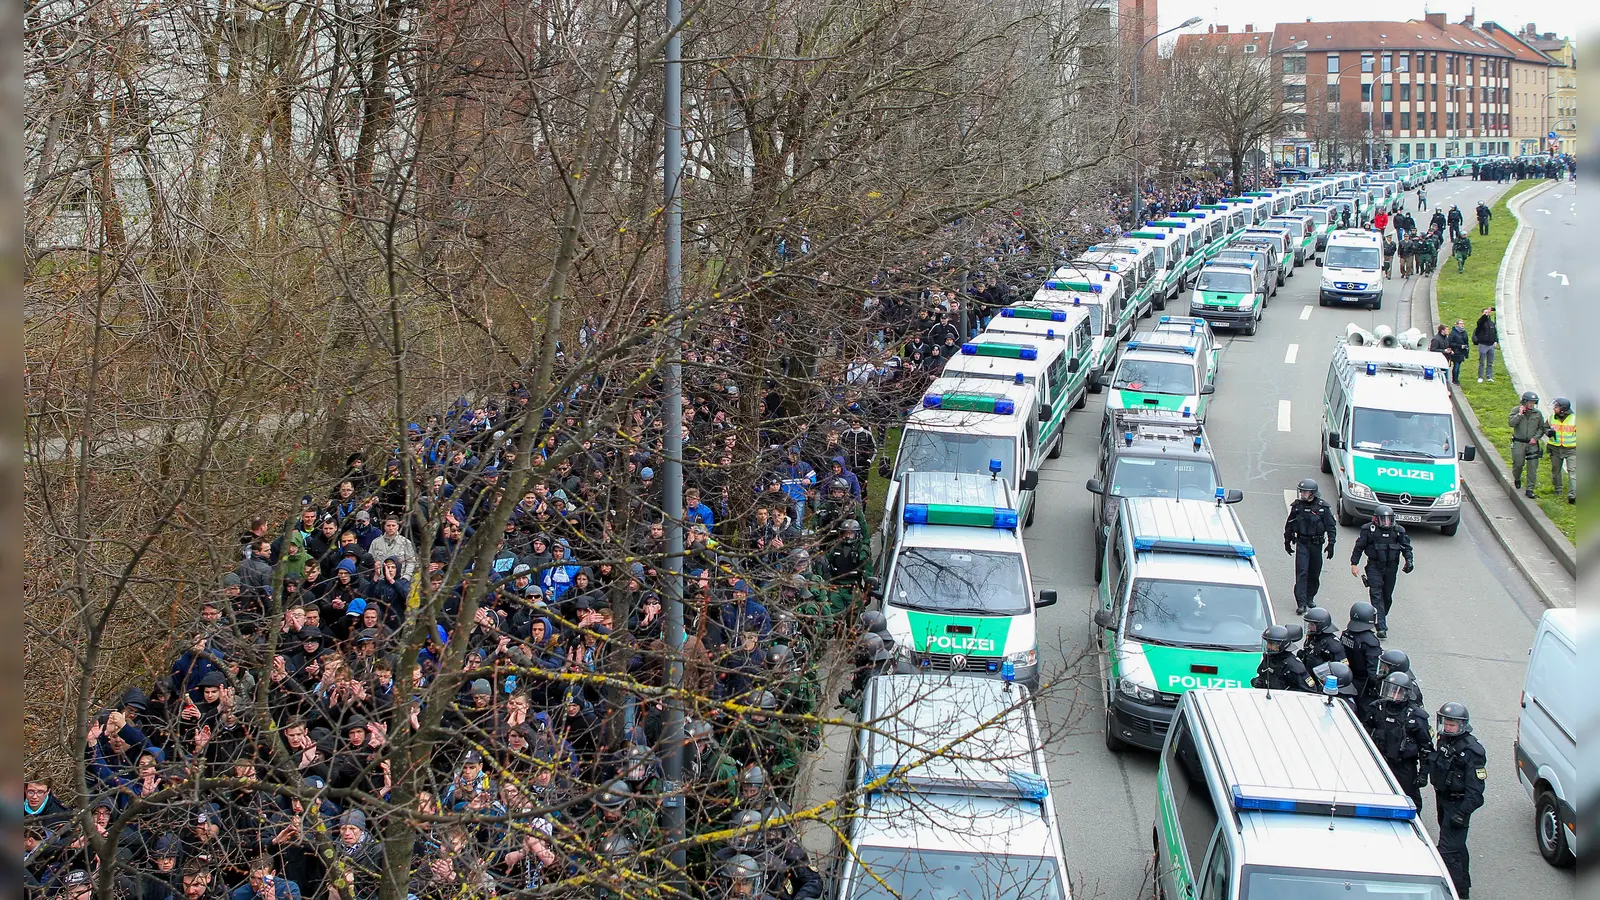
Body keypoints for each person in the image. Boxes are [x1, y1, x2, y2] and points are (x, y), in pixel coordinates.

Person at [1429, 702, 1487, 897]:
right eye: (1446, 723)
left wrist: (1462, 813)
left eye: (1452, 725)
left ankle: (1452, 893)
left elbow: (1476, 792)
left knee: (1447, 853)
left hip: (1458, 806)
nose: (1447, 727)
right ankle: (1463, 890)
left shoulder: (1472, 751)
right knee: (1457, 849)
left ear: (1462, 725)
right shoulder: (1444, 740)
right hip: (1443, 800)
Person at [1365, 673, 1433, 812]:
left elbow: (1425, 747)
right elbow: (1364, 732)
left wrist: (1423, 773)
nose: (1394, 695)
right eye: (1391, 690)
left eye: (1398, 692)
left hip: (1403, 766)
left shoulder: (1416, 716)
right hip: (1379, 761)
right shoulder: (1377, 708)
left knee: (1409, 801)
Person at [1349, 505, 1413, 638]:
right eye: (1383, 519)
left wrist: (1409, 561)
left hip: (1391, 567)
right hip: (1374, 566)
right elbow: (1359, 547)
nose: (1386, 522)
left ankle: (1381, 616)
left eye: (1388, 519)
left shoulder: (1398, 531)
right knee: (1376, 595)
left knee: (1387, 597)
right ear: (1376, 519)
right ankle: (1381, 627)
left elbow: (1406, 547)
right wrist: (1354, 564)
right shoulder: (1369, 530)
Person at [1283, 478, 1337, 614]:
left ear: (1312, 493)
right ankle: (1301, 603)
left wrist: (1331, 544)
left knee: (1314, 573)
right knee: (1302, 572)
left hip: (1316, 545)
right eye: (1301, 491)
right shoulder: (1297, 506)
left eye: (1305, 492)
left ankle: (1309, 597)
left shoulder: (1323, 508)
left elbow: (1331, 527)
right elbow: (1289, 524)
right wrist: (1287, 541)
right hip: (1302, 543)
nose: (1302, 494)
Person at [1251, 625, 1318, 692]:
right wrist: (1259, 682)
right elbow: (1263, 675)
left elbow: (1311, 691)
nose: (1268, 646)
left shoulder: (1293, 665)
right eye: (1268, 643)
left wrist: (1287, 691)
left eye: (1272, 644)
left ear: (1282, 645)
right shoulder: (1269, 657)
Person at [1339, 602, 1384, 699]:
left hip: (1345, 676)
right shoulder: (1370, 642)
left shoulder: (1346, 634)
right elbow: (1373, 671)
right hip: (1362, 685)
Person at [1509, 391, 1547, 497]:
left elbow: (1541, 428)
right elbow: (1511, 423)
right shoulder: (1516, 410)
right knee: (1518, 464)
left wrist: (1536, 438)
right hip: (1519, 442)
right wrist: (1520, 414)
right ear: (1524, 402)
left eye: (1533, 402)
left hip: (1532, 444)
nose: (1531, 404)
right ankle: (1517, 478)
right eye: (1530, 402)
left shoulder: (1538, 414)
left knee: (1532, 467)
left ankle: (1530, 489)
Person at [1546, 397, 1577, 504]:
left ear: (1562, 410)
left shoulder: (1575, 419)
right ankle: (1558, 490)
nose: (1554, 408)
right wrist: (1548, 432)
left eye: (1556, 407)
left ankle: (1573, 494)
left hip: (1571, 449)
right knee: (1556, 470)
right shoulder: (1551, 418)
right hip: (1555, 449)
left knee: (1572, 471)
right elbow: (1545, 427)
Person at [1298, 607, 1346, 672]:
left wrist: (1321, 667)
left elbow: (1341, 670)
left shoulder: (1334, 646)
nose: (1309, 627)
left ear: (1320, 625)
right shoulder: (1313, 636)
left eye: (1312, 624)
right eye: (1309, 623)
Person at [1472, 307, 1498, 382]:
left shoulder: (1491, 323)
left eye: (1488, 312)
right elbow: (1480, 322)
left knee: (1490, 363)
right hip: (1483, 344)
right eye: (1485, 312)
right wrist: (1485, 316)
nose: (1487, 314)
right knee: (1482, 362)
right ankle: (1481, 377)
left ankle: (1489, 377)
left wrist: (1496, 341)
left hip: (1491, 345)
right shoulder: (1481, 323)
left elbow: (1494, 332)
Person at [1447, 319, 1470, 385]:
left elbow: (1466, 341)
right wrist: (1460, 346)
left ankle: (1456, 379)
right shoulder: (1453, 333)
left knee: (1458, 366)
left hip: (1462, 352)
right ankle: (1455, 380)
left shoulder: (1464, 332)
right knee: (1456, 366)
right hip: (1456, 352)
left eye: (1463, 323)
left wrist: (1466, 348)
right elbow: (1450, 343)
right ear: (1457, 325)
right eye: (1460, 323)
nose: (1462, 325)